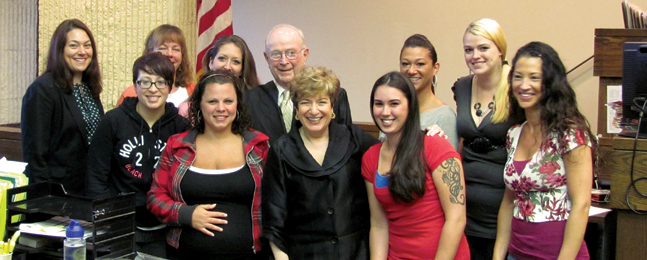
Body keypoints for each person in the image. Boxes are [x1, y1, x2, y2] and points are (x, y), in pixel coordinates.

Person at [147, 70, 270, 260]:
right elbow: (155, 198)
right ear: (199, 106)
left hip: (249, 254)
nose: (221, 108)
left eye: (228, 101)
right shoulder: (177, 145)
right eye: (212, 101)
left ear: (238, 105)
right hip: (184, 254)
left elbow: (277, 202)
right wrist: (186, 214)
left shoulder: (259, 146)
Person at [262, 66, 379, 260]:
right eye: (306, 102)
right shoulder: (281, 151)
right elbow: (274, 222)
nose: (314, 110)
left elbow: (392, 153)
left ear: (332, 107)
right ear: (297, 108)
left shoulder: (354, 139)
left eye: (322, 102)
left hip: (355, 253)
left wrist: (429, 137)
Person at [493, 41, 595, 260]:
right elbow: (508, 202)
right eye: (518, 76)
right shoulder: (514, 133)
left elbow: (581, 205)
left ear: (549, 83)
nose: (524, 85)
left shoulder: (570, 134)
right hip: (517, 253)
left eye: (534, 77)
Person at [86, 52, 189, 257]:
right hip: (119, 225)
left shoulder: (180, 128)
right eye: (145, 82)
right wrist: (109, 218)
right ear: (135, 85)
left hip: (162, 228)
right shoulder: (113, 121)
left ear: (170, 86)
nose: (153, 89)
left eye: (161, 82)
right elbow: (96, 176)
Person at [362, 72, 470, 259]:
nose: (385, 112)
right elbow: (379, 224)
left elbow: (456, 219)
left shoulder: (436, 147)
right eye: (379, 104)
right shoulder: (371, 157)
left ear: (410, 106)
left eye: (394, 103)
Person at [452, 18, 520, 259]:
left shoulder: (516, 87)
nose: (475, 56)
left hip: (505, 210)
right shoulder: (461, 87)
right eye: (468, 50)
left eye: (483, 48)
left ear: (500, 49)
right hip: (465, 208)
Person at [21, 19, 104, 195]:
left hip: (88, 188)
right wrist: (46, 197)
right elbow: (35, 155)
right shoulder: (43, 89)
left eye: (87, 46)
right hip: (56, 191)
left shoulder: (89, 88)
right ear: (60, 50)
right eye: (74, 46)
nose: (82, 52)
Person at [245, 24, 352, 144]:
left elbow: (346, 145)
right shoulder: (250, 99)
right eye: (276, 54)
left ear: (305, 54)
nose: (284, 61)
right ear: (266, 58)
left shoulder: (334, 95)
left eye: (291, 53)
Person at [397, 34, 458, 149]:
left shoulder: (444, 116)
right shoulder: (392, 109)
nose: (411, 71)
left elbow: (451, 164)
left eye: (420, 64)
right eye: (405, 64)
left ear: (435, 68)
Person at [117, 24, 195, 107]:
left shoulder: (194, 91)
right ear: (150, 53)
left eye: (176, 49)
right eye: (162, 48)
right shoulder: (130, 94)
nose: (169, 54)